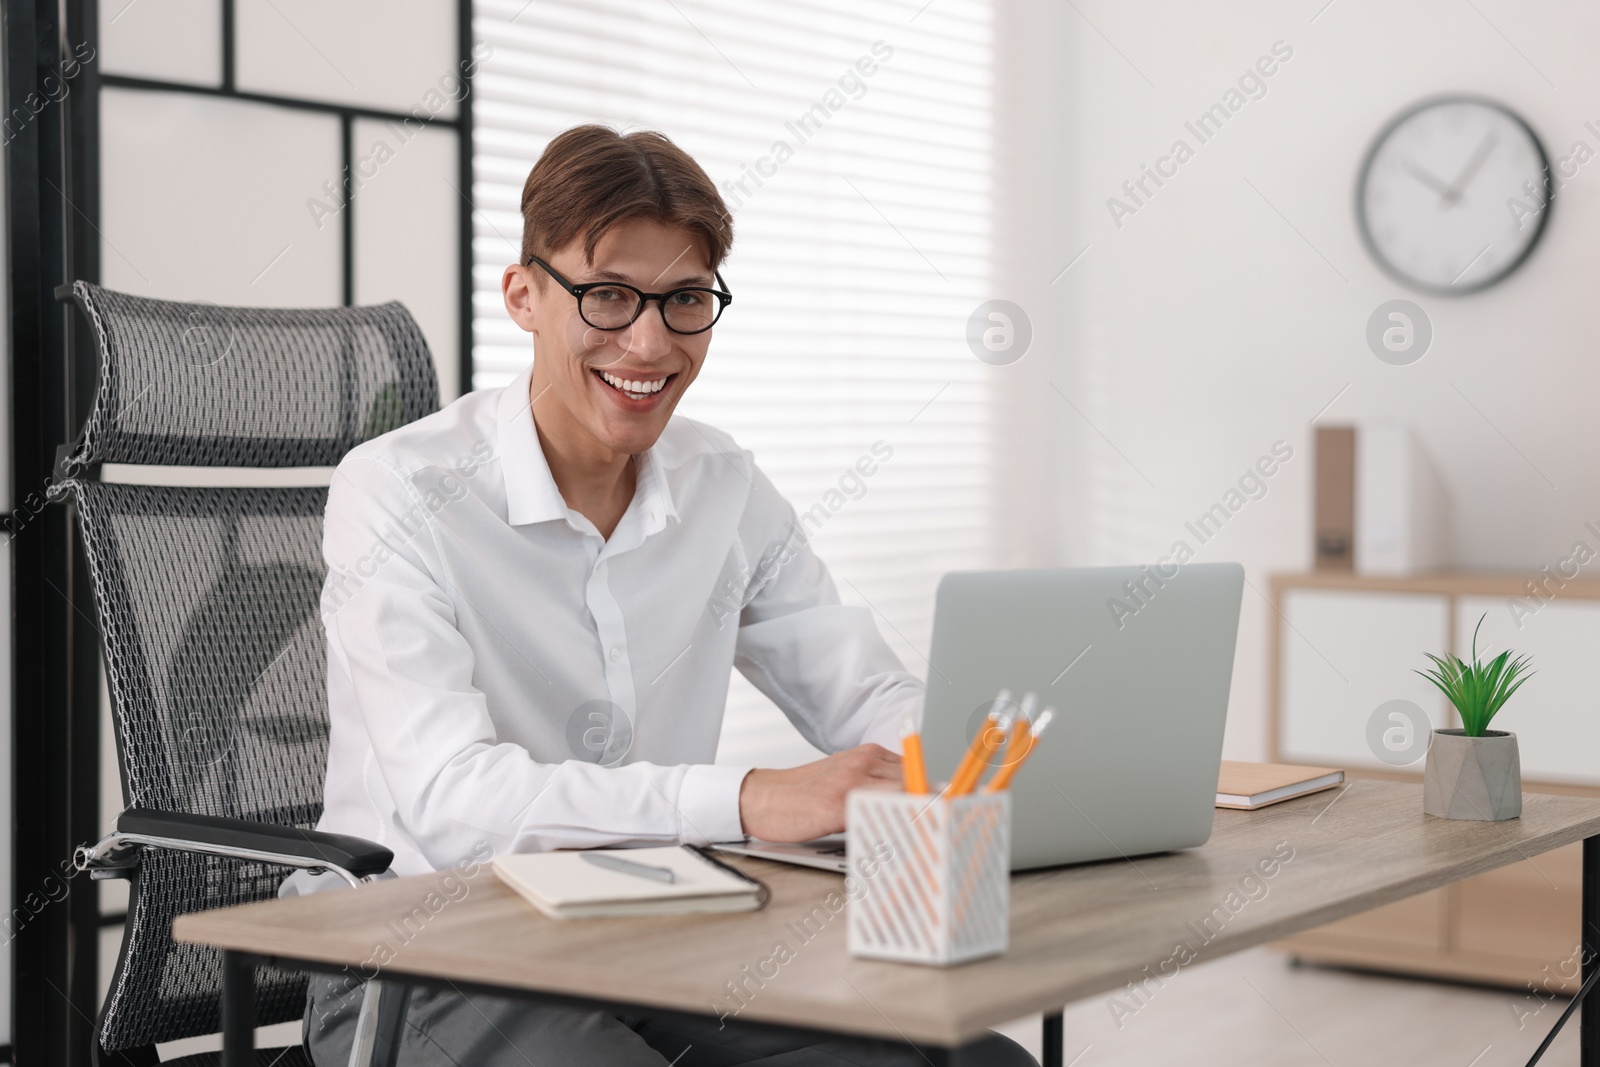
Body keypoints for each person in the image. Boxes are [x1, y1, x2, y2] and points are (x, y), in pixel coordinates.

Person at [297, 124, 1036, 1066]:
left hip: (649, 934)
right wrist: (752, 799)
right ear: (524, 296)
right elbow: (450, 800)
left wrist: (961, 762)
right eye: (607, 296)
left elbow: (859, 692)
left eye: (685, 299)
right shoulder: (397, 488)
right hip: (417, 953)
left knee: (970, 1059)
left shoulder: (723, 486)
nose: (649, 341)